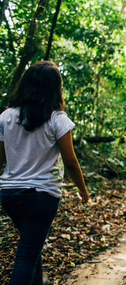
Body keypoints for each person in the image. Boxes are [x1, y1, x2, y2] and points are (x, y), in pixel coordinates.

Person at [0, 61, 89, 285]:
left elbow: (1, 159)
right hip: (41, 196)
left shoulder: (6, 117)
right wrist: (83, 191)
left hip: (9, 194)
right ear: (54, 88)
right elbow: (70, 162)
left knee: (30, 246)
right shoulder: (57, 120)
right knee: (26, 256)